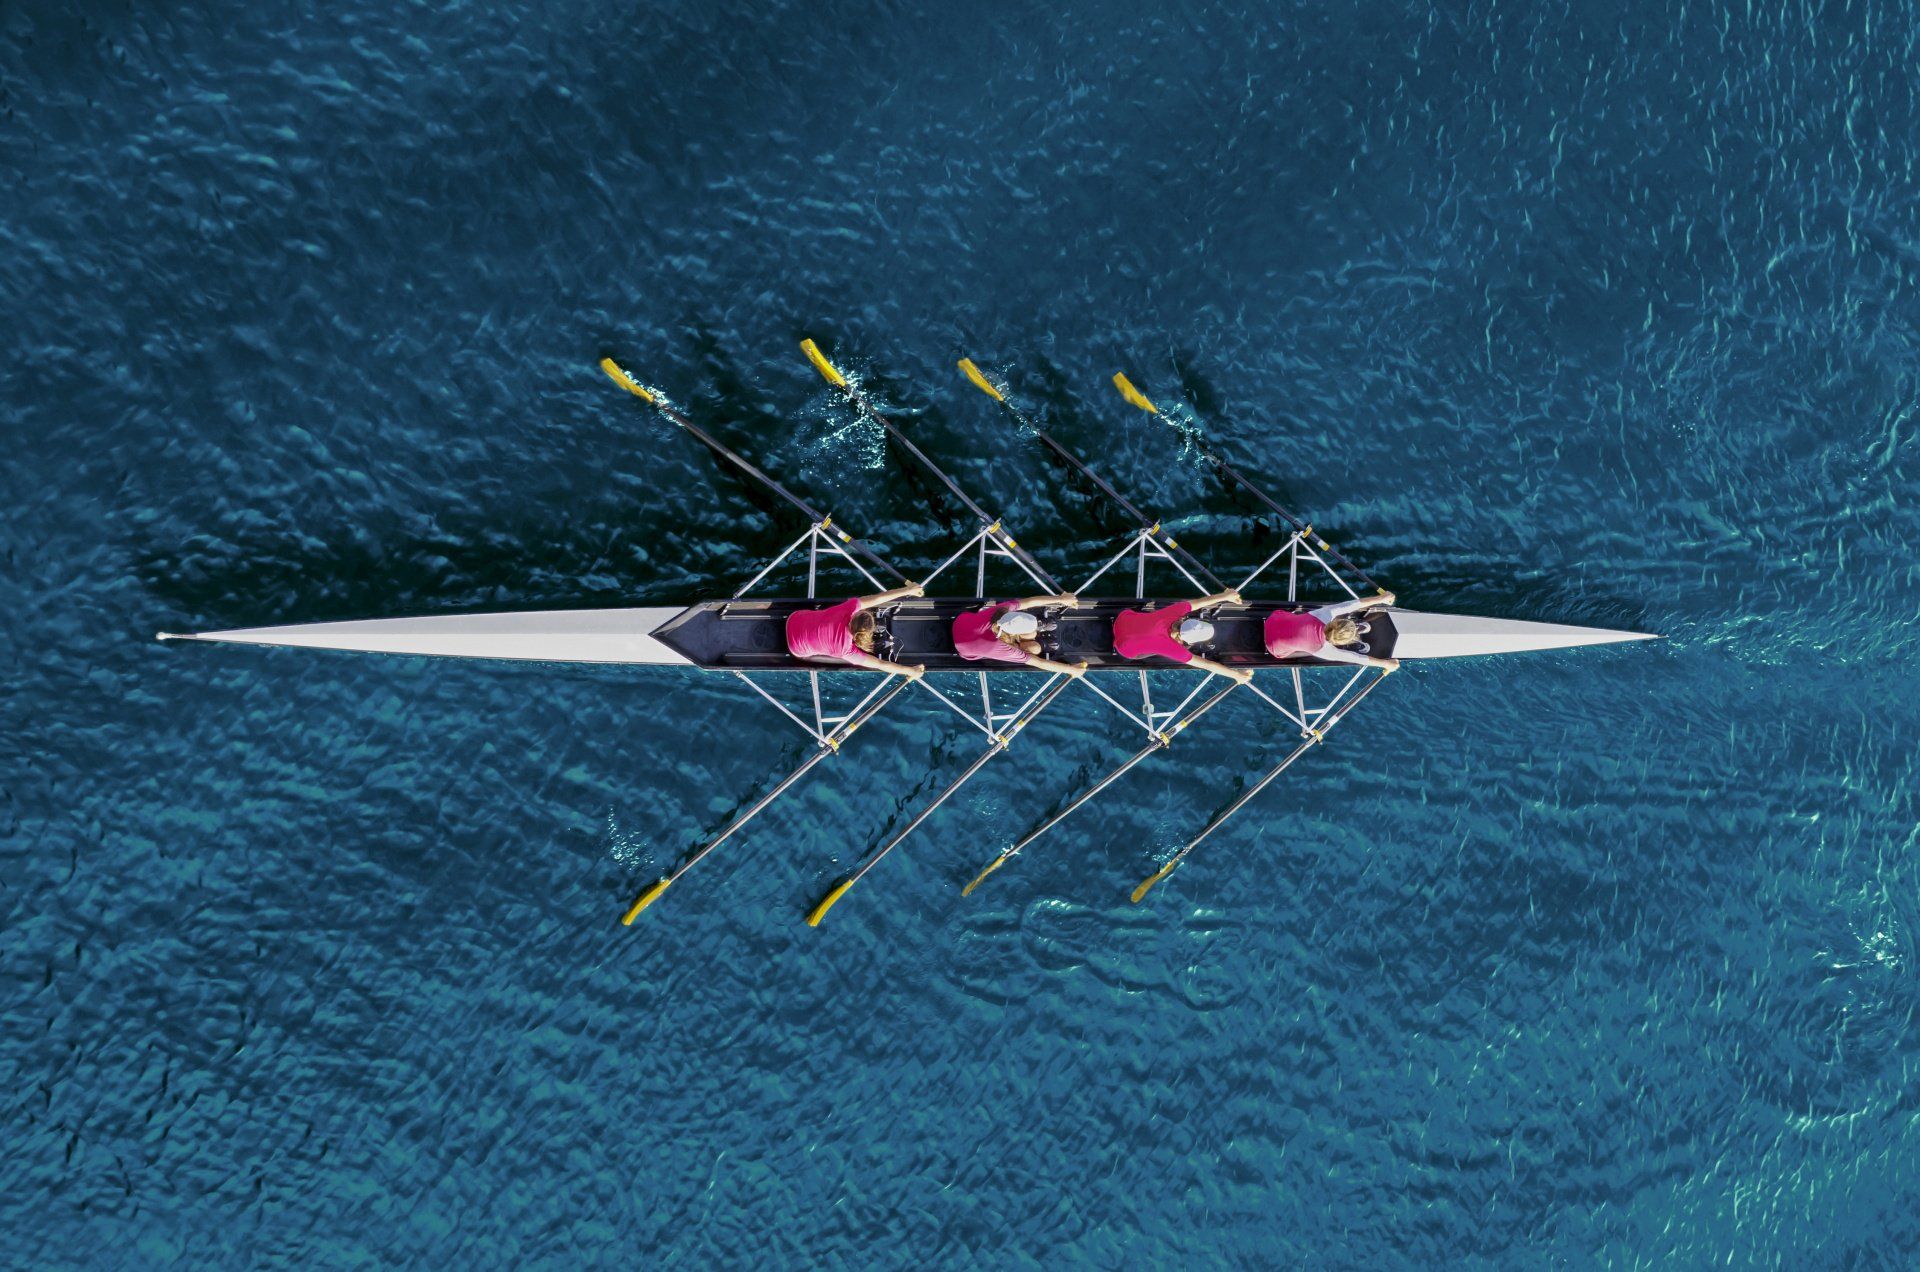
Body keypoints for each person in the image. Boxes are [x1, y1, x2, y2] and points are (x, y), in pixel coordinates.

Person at [1111, 589, 1253, 683]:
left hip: (1122, 618)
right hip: (1122, 648)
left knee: (1149, 622)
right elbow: (1207, 664)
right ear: (1185, 641)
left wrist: (1225, 596)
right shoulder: (1175, 649)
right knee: (1152, 649)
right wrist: (1236, 675)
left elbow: (1200, 603)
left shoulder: (1176, 611)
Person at [786, 583, 927, 676]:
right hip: (795, 650)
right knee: (848, 659)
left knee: (829, 613)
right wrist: (911, 671)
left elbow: (878, 598)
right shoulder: (847, 650)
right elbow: (880, 664)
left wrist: (908, 590)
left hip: (793, 618)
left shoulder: (849, 608)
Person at [952, 594, 1088, 677]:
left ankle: (1036, 630)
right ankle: (1038, 638)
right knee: (1035, 649)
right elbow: (1038, 662)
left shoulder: (999, 612)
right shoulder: (998, 647)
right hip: (965, 651)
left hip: (961, 621)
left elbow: (1028, 602)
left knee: (1032, 634)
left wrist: (1061, 599)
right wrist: (1070, 670)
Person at [1263, 590, 1399, 670]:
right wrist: (1386, 664)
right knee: (1308, 653)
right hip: (1273, 648)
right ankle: (1356, 628)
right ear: (1339, 642)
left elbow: (1352, 604)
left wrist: (1381, 598)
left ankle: (1355, 628)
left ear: (1337, 621)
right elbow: (1358, 659)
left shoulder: (1324, 615)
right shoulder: (1323, 650)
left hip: (1273, 620)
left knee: (1303, 621)